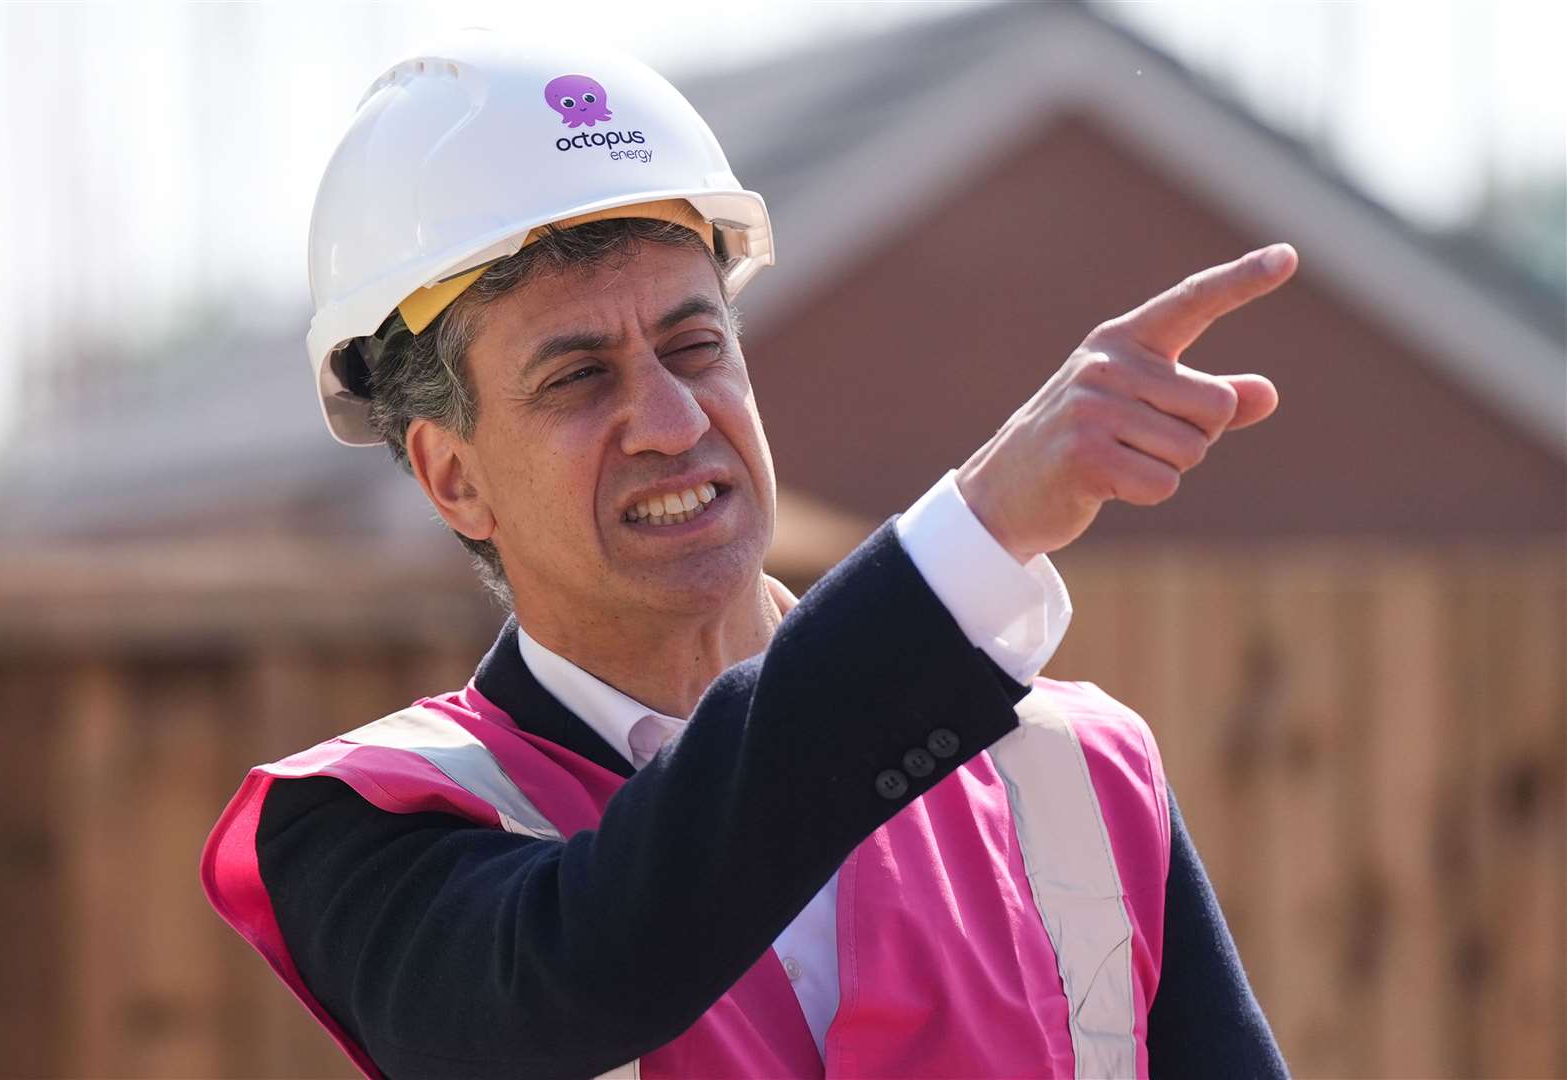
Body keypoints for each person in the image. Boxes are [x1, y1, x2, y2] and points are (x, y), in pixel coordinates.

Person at [203, 30, 1291, 1079]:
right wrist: (974, 530)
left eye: (694, 346)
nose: (673, 422)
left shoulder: (1080, 778)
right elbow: (593, 964)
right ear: (455, 477)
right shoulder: (367, 828)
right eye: (579, 377)